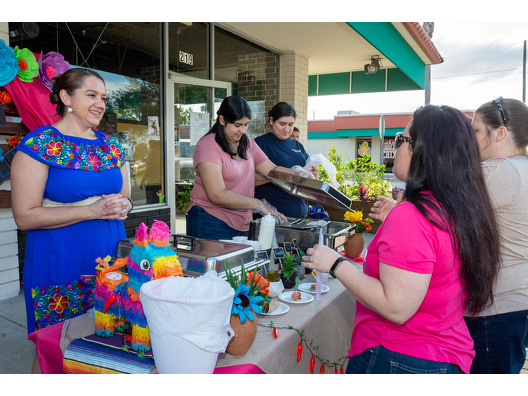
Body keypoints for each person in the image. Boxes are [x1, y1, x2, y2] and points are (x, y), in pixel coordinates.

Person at [301, 105, 501, 374]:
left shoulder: (413, 215)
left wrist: (336, 263)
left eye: (401, 139)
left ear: (424, 151)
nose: (396, 147)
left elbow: (396, 307)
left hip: (401, 356)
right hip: (444, 351)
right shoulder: (458, 206)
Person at [11, 67, 132, 339]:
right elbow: (24, 216)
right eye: (91, 95)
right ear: (66, 97)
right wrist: (90, 211)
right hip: (59, 260)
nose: (100, 104)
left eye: (103, 97)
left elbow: (125, 196)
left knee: (109, 342)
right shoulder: (40, 144)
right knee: (56, 346)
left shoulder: (112, 146)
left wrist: (126, 206)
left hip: (110, 259)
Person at [463, 97, 528, 374]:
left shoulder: (500, 169)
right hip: (516, 301)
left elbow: (447, 211)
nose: (470, 138)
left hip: (496, 307)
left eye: (476, 130)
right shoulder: (521, 167)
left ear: (500, 133)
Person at [186, 96, 292, 241]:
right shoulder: (207, 146)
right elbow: (217, 194)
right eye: (237, 125)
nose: (242, 130)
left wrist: (299, 174)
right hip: (210, 220)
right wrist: (259, 204)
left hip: (242, 221)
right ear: (222, 120)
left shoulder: (247, 142)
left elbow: (271, 170)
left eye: (246, 124)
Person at [254, 102, 317, 219]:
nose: (287, 129)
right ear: (272, 121)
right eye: (282, 124)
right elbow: (248, 180)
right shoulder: (260, 144)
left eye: (291, 124)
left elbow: (309, 182)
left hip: (299, 216)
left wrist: (312, 176)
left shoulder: (298, 146)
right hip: (271, 216)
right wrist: (281, 175)